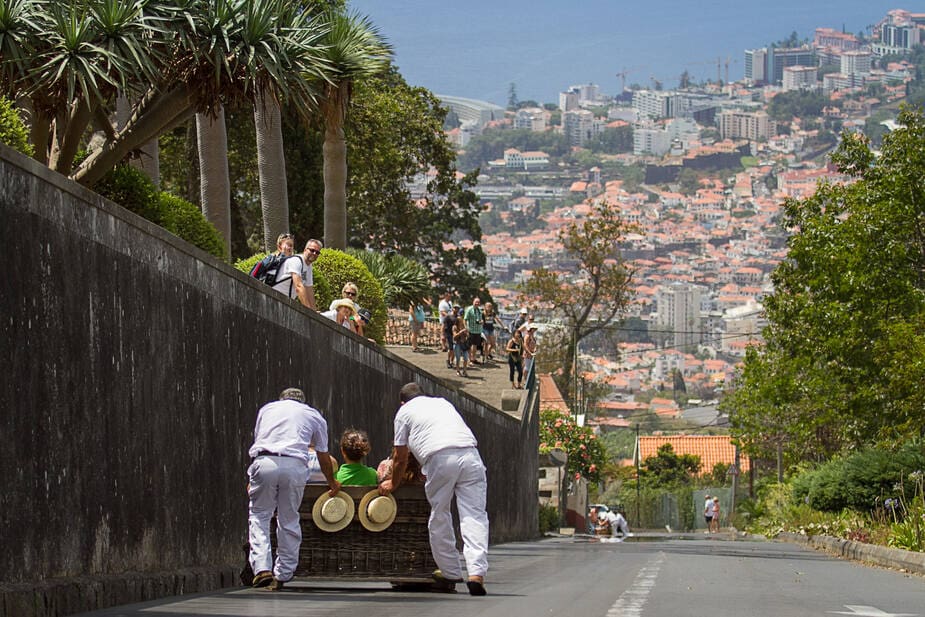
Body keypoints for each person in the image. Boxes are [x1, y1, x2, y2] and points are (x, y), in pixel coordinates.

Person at [378, 383, 489, 597]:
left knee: (440, 514)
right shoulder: (442, 402)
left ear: (402, 402)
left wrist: (393, 483)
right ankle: (476, 573)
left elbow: (400, 457)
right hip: (471, 455)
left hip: (440, 458)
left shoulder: (404, 412)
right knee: (475, 516)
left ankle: (451, 572)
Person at [246, 388, 339, 591]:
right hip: (295, 464)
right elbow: (323, 455)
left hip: (264, 460)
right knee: (288, 517)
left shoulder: (267, 409)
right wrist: (332, 481)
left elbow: (260, 440)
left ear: (282, 399)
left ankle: (262, 567)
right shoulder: (313, 415)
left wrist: (253, 477)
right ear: (303, 402)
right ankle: (283, 573)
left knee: (260, 515)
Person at [272, 239, 321, 309]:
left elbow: (309, 290)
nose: (314, 253)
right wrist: (309, 312)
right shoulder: (296, 261)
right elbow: (299, 287)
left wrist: (314, 312)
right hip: (273, 297)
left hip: (285, 302)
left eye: (317, 252)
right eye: (312, 250)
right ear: (305, 250)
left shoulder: (309, 266)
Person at [463, 297, 484, 364]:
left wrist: (481, 322)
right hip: (471, 330)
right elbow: (465, 319)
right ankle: (470, 359)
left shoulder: (479, 310)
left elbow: (481, 319)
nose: (477, 303)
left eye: (478, 302)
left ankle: (473, 359)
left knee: (475, 345)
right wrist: (466, 328)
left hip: (478, 330)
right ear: (473, 302)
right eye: (476, 302)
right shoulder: (469, 309)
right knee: (469, 345)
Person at [443, 305, 459, 369]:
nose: (456, 310)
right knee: (450, 348)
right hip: (449, 334)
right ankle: (448, 360)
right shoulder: (448, 316)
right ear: (452, 309)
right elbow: (444, 326)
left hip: (455, 334)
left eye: (457, 308)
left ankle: (452, 361)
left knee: (454, 349)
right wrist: (443, 334)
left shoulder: (458, 317)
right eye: (455, 308)